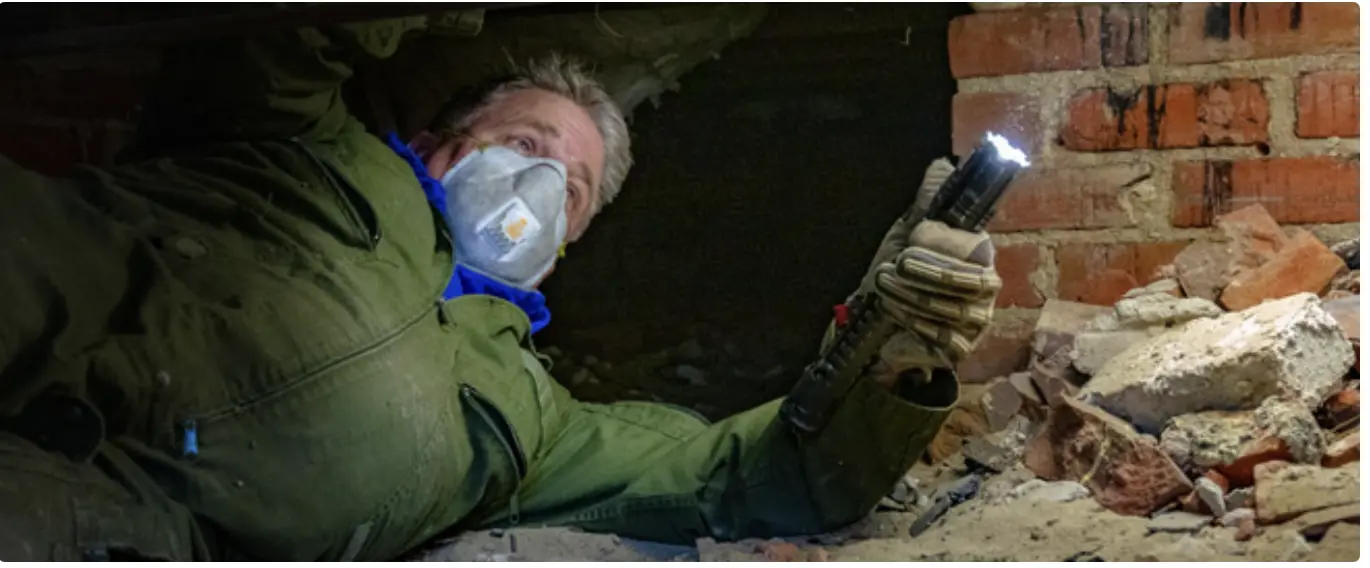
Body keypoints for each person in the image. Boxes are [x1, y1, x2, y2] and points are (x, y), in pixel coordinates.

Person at [0, 15, 1001, 561]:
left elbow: (749, 477)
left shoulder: (532, 420)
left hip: (93, 523)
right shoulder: (303, 142)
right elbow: (273, 38)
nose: (531, 187)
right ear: (438, 144)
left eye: (564, 189)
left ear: (566, 246)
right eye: (521, 144)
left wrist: (889, 356)